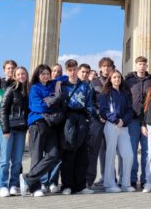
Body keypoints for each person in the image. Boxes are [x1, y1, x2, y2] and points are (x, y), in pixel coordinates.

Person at [20, 64, 62, 197]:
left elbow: (66, 77)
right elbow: (38, 106)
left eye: (47, 73)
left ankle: (28, 177)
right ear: (38, 75)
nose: (46, 75)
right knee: (36, 156)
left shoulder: (52, 84)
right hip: (37, 123)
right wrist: (54, 101)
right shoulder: (34, 88)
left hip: (51, 124)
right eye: (43, 73)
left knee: (54, 154)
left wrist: (59, 83)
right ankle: (34, 188)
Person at [59, 60, 95, 195]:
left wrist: (89, 117)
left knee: (82, 153)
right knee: (69, 151)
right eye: (70, 70)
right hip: (68, 117)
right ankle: (67, 185)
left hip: (82, 117)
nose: (73, 72)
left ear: (78, 70)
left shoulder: (85, 86)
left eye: (75, 69)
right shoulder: (62, 85)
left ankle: (80, 186)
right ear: (67, 71)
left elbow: (90, 103)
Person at [99, 70, 135, 193]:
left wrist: (123, 121)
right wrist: (115, 120)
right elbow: (103, 110)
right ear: (110, 79)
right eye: (114, 77)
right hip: (111, 126)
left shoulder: (125, 92)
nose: (117, 79)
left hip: (123, 127)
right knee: (110, 154)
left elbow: (130, 110)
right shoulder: (106, 93)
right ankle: (109, 184)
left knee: (128, 155)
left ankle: (126, 183)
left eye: (119, 77)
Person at [0, 66, 30, 197]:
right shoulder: (10, 90)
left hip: (21, 130)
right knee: (5, 160)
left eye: (23, 74)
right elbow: (3, 110)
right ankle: (2, 185)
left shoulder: (28, 91)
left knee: (17, 160)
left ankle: (13, 185)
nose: (21, 76)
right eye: (19, 74)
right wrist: (5, 129)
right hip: (9, 128)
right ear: (15, 76)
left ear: (26, 75)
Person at [124, 56, 151, 188]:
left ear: (147, 66)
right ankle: (133, 178)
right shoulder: (129, 81)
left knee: (147, 151)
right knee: (133, 150)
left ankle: (146, 178)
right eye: (140, 64)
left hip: (148, 120)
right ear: (136, 66)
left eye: (144, 64)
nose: (142, 66)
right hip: (133, 120)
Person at [86, 56, 114, 188]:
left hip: (112, 120)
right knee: (95, 150)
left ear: (112, 68)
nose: (106, 68)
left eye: (108, 66)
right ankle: (89, 180)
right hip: (97, 120)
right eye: (104, 66)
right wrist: (98, 115)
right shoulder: (94, 82)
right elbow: (90, 101)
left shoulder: (116, 80)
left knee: (110, 150)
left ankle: (109, 178)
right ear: (100, 67)